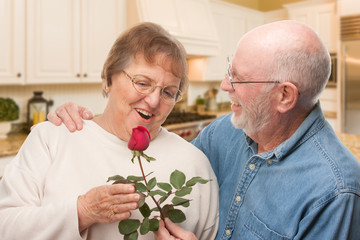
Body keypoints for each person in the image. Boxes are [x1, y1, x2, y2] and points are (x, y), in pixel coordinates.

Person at [48, 20, 360, 239]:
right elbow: (167, 164)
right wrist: (94, 125)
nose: (225, 86)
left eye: (238, 79)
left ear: (285, 96)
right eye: (228, 70)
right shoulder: (224, 132)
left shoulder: (335, 192)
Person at [0, 22, 219, 240]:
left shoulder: (195, 164)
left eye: (168, 92)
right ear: (108, 79)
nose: (153, 101)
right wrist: (82, 211)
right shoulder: (53, 138)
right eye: (142, 83)